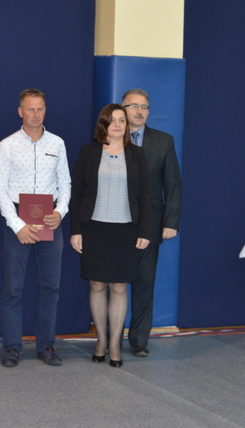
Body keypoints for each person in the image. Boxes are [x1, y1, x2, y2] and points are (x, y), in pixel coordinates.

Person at [0, 89, 71, 367]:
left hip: (50, 221)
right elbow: (0, 190)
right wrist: (17, 225)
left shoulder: (58, 143)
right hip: (18, 223)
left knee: (50, 287)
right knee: (13, 289)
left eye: (40, 109)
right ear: (20, 112)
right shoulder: (7, 145)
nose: (35, 114)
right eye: (30, 109)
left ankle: (46, 345)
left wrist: (60, 212)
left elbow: (65, 183)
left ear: (45, 111)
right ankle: (12, 348)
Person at [70, 103, 151, 368]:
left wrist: (145, 230)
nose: (117, 124)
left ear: (127, 126)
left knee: (119, 287)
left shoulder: (137, 155)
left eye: (122, 120)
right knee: (96, 285)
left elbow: (146, 195)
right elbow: (76, 193)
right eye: (112, 120)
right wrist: (76, 230)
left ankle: (115, 343)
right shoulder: (88, 152)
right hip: (94, 228)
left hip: (126, 229)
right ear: (103, 124)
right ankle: (101, 340)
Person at [122, 88, 182, 357]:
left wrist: (171, 222)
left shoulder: (163, 141)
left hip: (151, 224)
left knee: (144, 284)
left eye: (144, 107)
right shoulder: (110, 137)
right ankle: (111, 337)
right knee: (113, 284)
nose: (139, 112)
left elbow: (173, 184)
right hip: (115, 223)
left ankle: (139, 340)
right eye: (134, 106)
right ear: (122, 109)